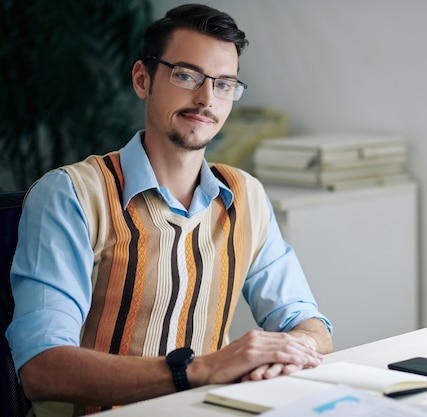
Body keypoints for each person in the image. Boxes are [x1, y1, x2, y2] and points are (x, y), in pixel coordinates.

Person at [6, 4, 332, 416]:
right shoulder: (70, 194)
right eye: (186, 75)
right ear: (143, 79)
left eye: (225, 84)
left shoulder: (246, 195)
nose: (206, 98)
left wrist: (291, 348)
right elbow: (42, 368)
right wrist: (200, 369)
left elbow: (307, 322)